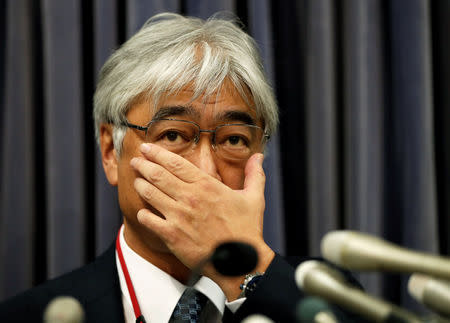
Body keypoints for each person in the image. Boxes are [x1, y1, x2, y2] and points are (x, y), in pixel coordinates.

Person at [0, 13, 362, 323]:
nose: (205, 172)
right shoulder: (30, 316)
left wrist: (246, 273)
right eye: (173, 134)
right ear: (111, 151)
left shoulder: (328, 297)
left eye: (234, 140)